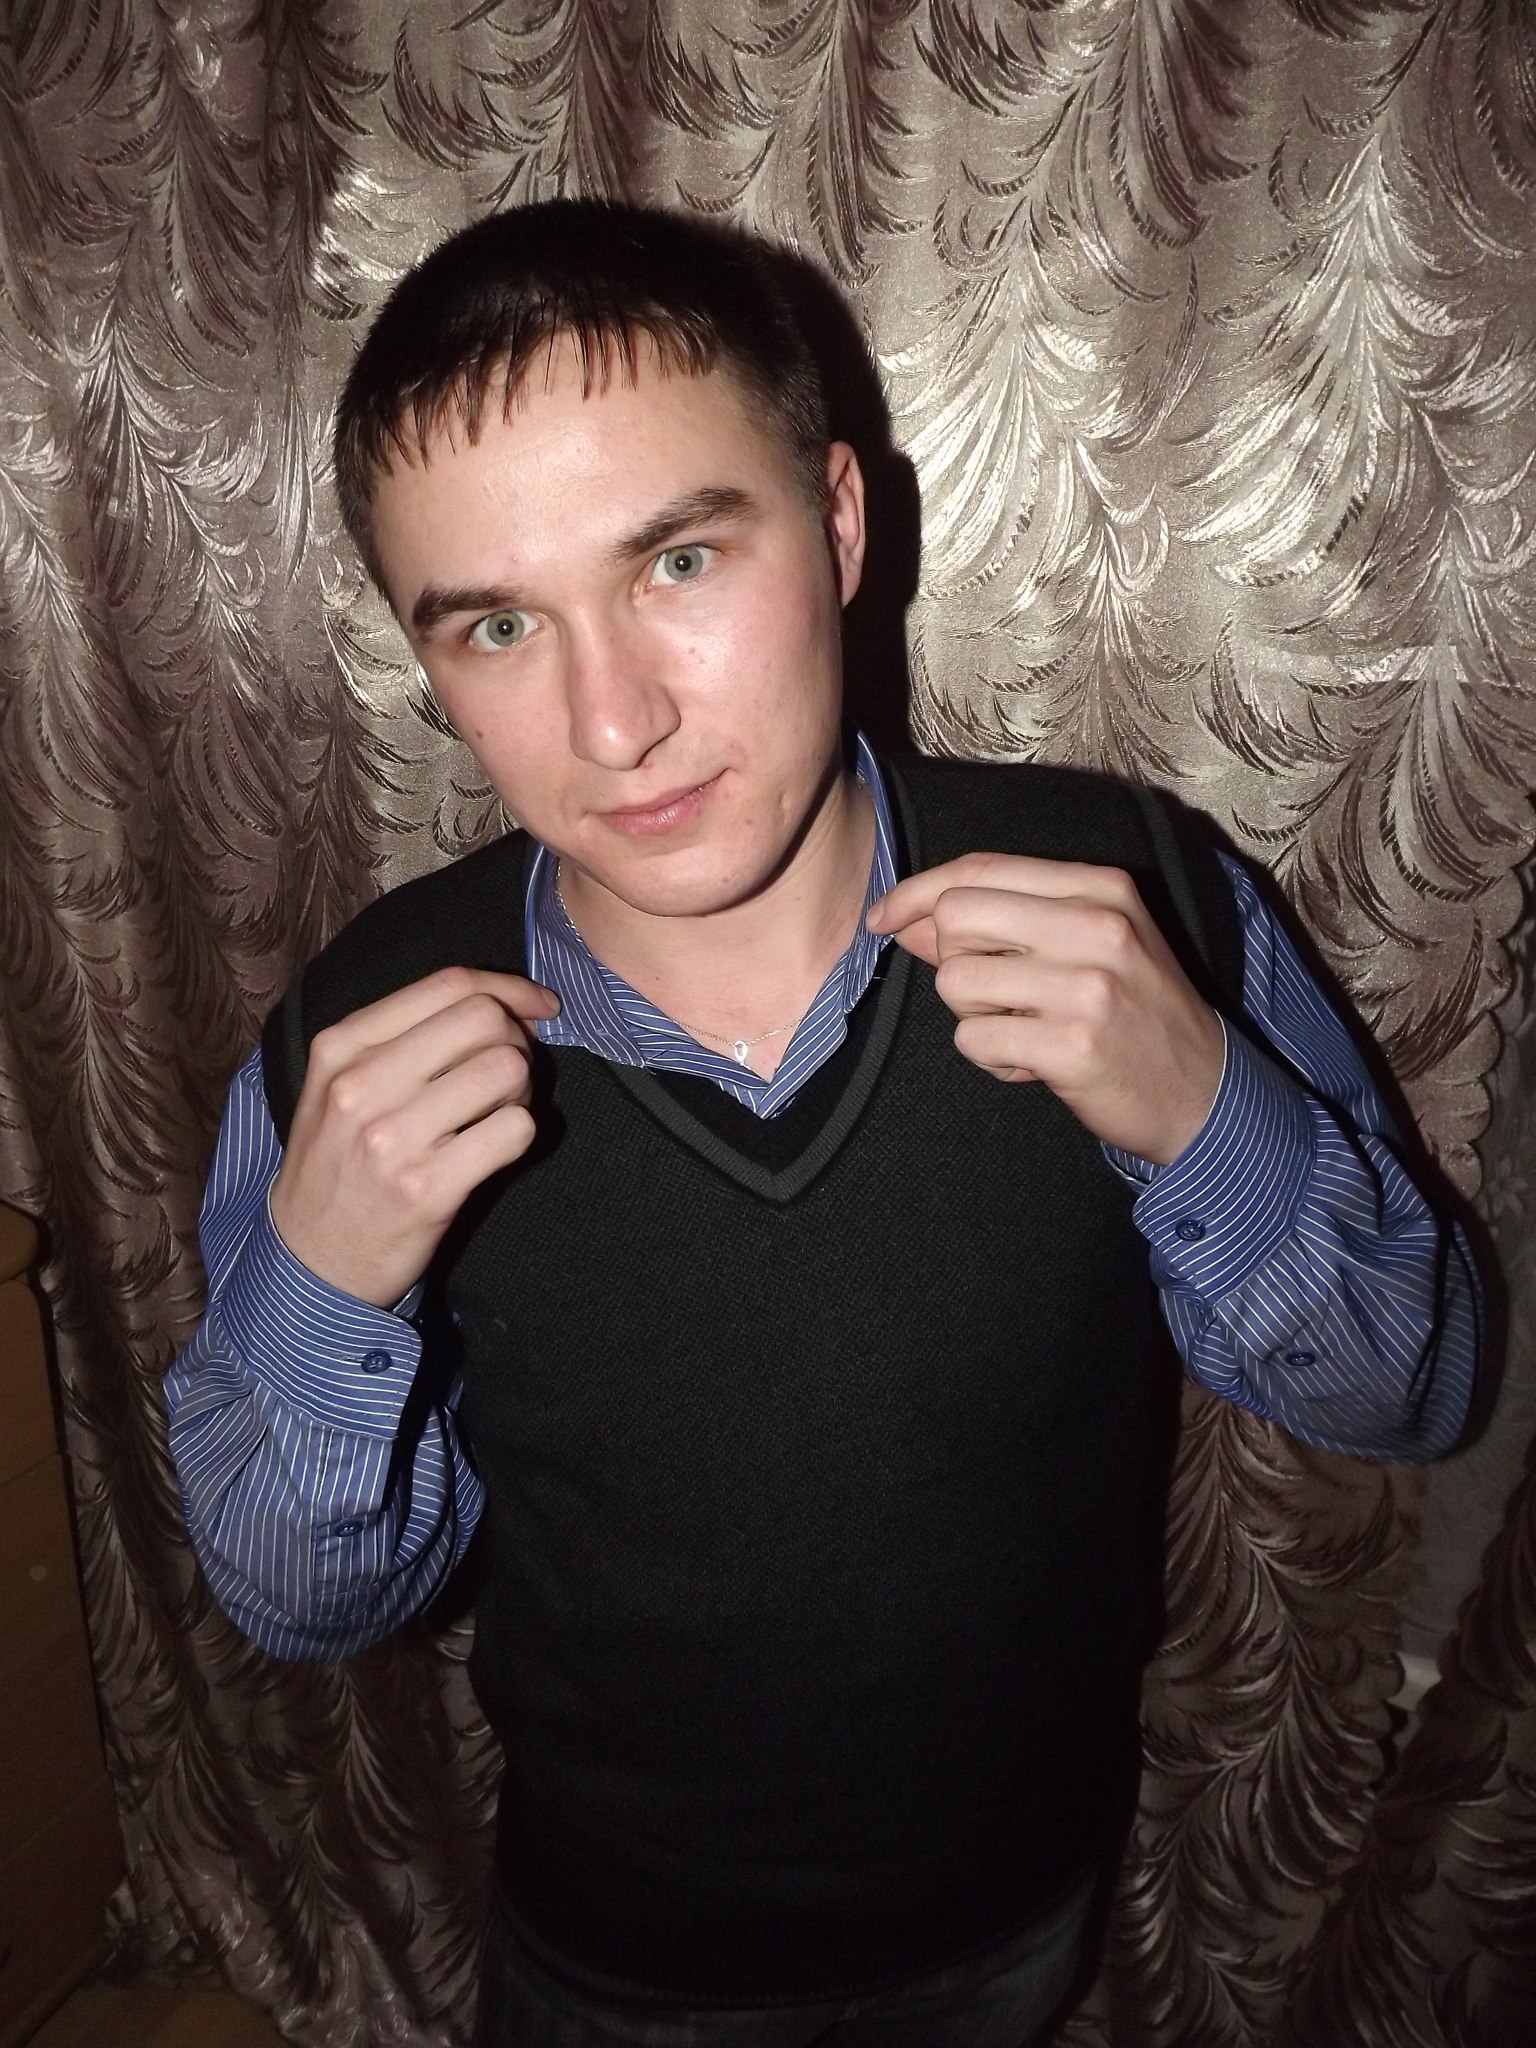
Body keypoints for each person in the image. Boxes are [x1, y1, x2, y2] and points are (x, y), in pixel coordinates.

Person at [165, 200, 1478, 2048]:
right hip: (611, 1961)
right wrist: (323, 1286)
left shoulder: (1145, 894)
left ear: (842, 524)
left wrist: (1203, 1109)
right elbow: (303, 1609)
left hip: (1016, 1914)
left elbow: (1415, 1388)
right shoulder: (352, 1038)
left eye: (680, 560)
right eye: (500, 624)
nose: (613, 722)